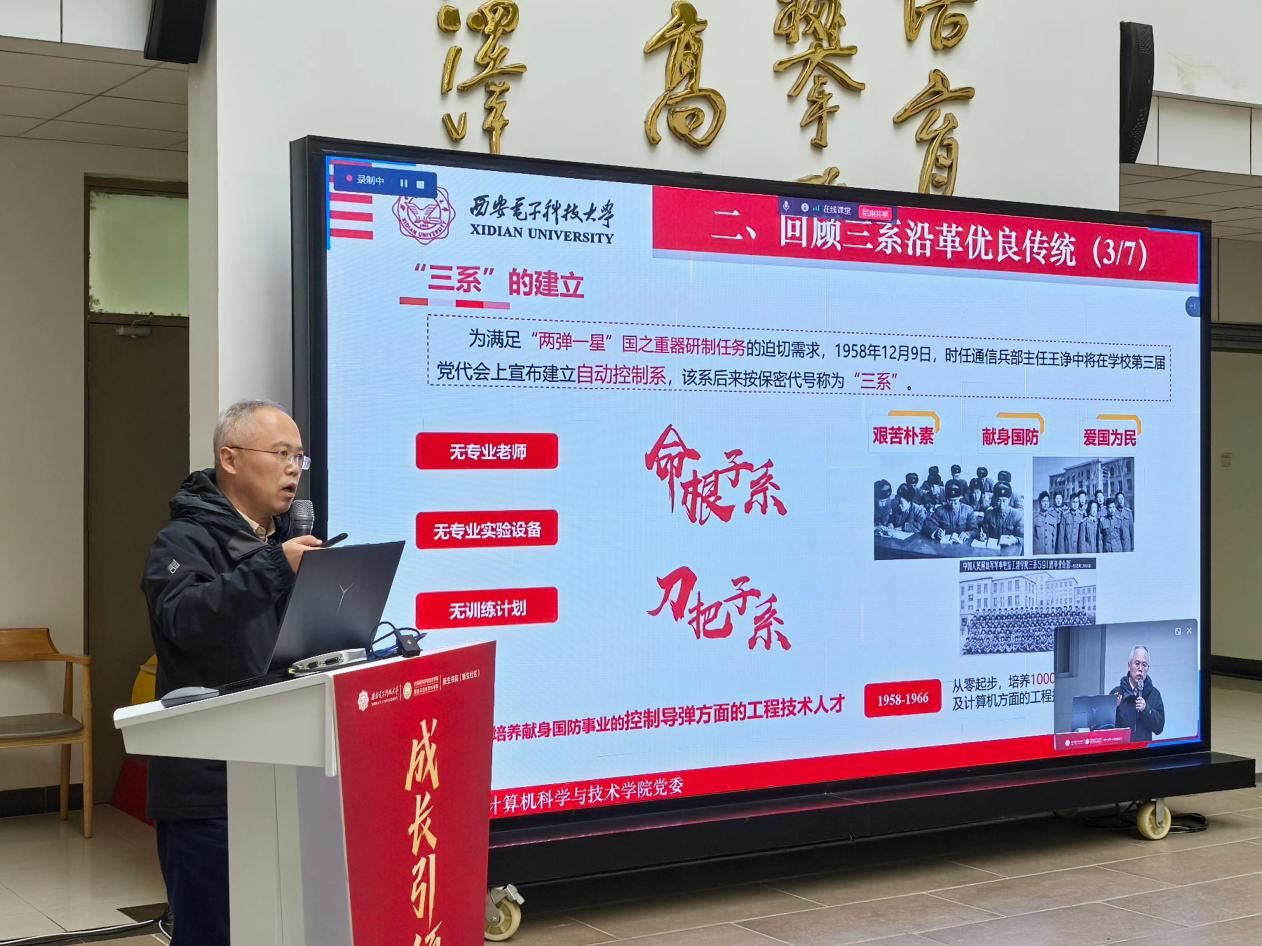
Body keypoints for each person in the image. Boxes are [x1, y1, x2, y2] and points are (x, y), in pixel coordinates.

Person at [141, 400, 324, 945]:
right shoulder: (181, 542)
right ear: (231, 459)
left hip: (283, 775)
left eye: (299, 457)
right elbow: (183, 619)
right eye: (281, 453)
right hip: (209, 789)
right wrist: (275, 568)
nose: (293, 468)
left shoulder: (281, 546)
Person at [1110, 645, 1165, 741]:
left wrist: (1146, 710)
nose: (1140, 669)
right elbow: (1106, 728)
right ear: (1129, 666)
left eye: (1144, 665)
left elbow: (1159, 728)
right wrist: (1113, 709)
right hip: (1121, 748)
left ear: (1148, 669)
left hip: (1144, 749)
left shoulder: (1154, 694)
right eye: (1137, 663)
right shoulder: (1116, 693)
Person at [982, 482, 1024, 546]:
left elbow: (1023, 538)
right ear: (995, 500)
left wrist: (1015, 539)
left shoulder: (1017, 515)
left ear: (1009, 500)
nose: (1001, 505)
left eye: (1004, 501)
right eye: (999, 501)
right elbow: (985, 532)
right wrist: (983, 535)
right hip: (993, 548)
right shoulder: (988, 514)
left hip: (1009, 549)